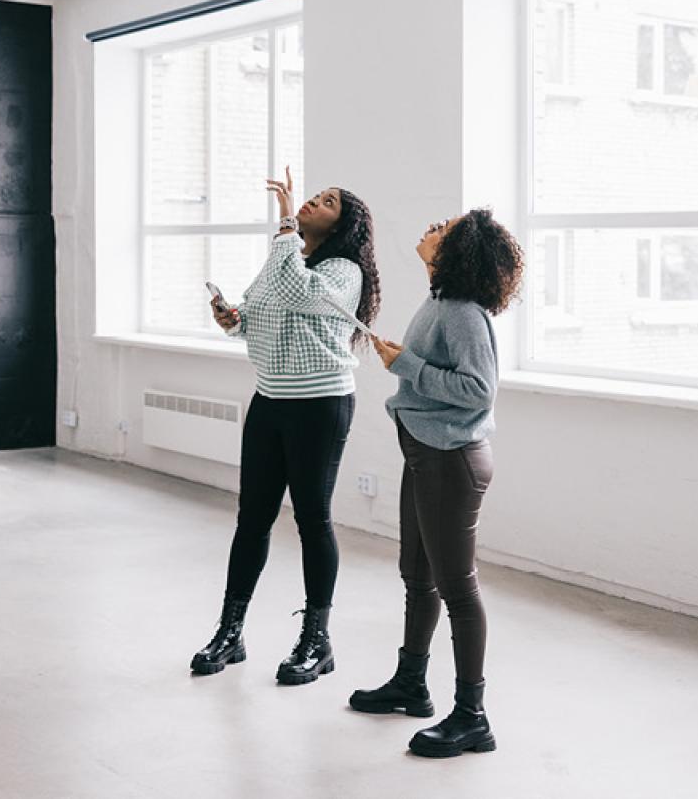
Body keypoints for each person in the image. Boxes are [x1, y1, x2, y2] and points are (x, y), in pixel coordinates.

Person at [190, 167, 381, 685]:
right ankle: (230, 632)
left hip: (320, 404)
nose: (312, 201)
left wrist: (285, 226)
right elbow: (262, 309)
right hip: (270, 398)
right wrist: (235, 319)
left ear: (341, 226)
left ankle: (317, 641)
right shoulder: (287, 256)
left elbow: (298, 294)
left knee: (312, 520)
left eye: (326, 202)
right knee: (251, 518)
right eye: (315, 196)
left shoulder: (343, 270)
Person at [349, 208, 523, 757]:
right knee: (417, 577)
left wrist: (406, 365)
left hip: (451, 461)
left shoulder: (464, 313)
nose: (431, 228)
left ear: (459, 249)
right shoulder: (440, 301)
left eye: (443, 228)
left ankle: (473, 717)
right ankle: (411, 684)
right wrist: (406, 362)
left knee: (458, 590)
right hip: (426, 455)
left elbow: (478, 391)